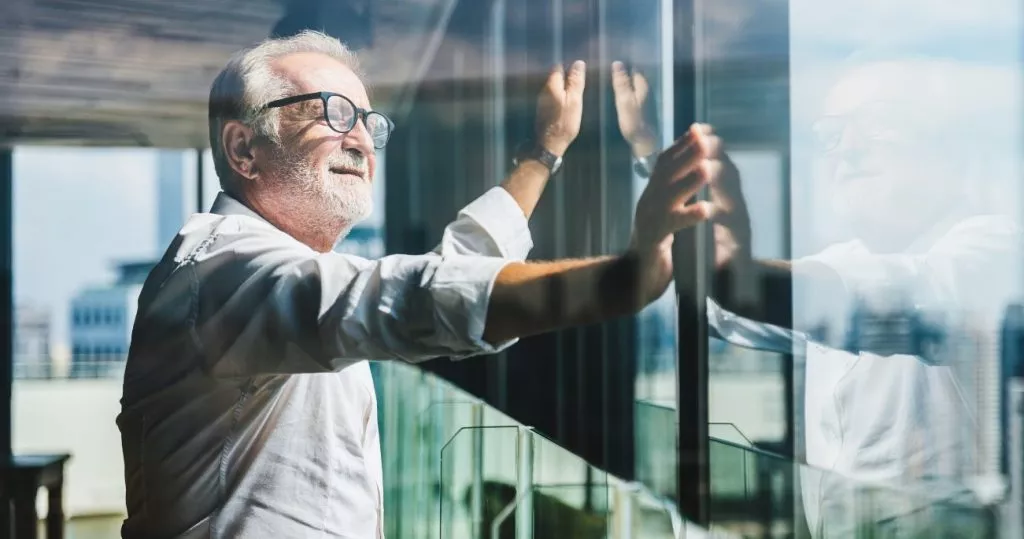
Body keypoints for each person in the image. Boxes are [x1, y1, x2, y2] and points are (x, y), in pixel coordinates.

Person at [117, 31, 722, 538]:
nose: (359, 138)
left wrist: (542, 153)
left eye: (367, 121)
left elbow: (447, 269)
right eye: (331, 112)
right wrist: (623, 278)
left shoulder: (278, 274)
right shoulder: (220, 270)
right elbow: (414, 296)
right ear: (243, 148)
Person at [612, 55, 1022, 537]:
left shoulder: (994, 244)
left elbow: (887, 294)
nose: (846, 152)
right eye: (831, 135)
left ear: (946, 147)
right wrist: (650, 153)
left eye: (876, 127)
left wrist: (735, 269)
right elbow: (727, 314)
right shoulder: (843, 258)